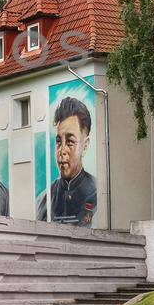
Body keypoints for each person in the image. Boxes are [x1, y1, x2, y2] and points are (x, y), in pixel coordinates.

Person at [37, 95, 97, 226]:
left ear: (85, 145)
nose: (62, 150)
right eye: (58, 142)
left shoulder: (97, 194)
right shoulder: (44, 200)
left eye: (69, 141)